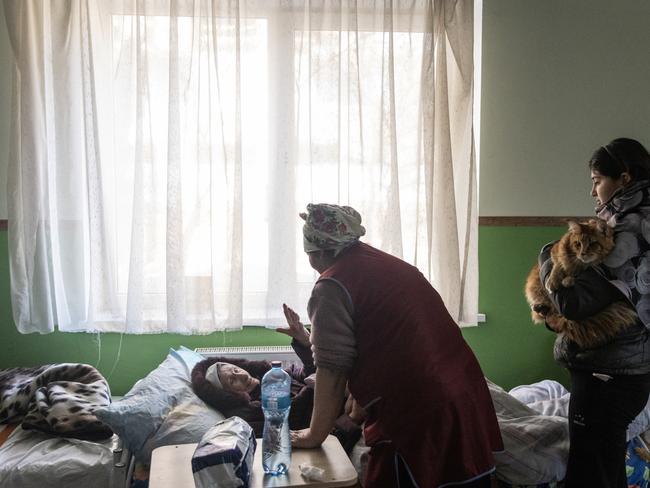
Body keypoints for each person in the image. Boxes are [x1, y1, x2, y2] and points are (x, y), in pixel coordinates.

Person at [283, 203, 503, 488]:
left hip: (418, 412)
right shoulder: (387, 264)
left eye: (309, 255)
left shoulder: (332, 285)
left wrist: (315, 434)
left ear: (318, 252)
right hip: (464, 392)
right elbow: (393, 340)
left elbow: (332, 370)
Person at [538, 137, 650, 487]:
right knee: (605, 466)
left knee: (589, 473)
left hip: (610, 374)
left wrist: (546, 256)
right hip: (630, 367)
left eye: (597, 180)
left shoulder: (628, 231)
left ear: (625, 179)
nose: (592, 192)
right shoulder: (634, 219)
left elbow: (572, 303)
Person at [190, 328, 363, 453]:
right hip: (339, 423)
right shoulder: (251, 415)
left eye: (235, 369)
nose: (240, 375)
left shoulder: (275, 374)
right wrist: (351, 419)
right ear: (228, 393)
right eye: (232, 380)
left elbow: (307, 371)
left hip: (344, 396)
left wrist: (304, 340)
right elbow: (295, 442)